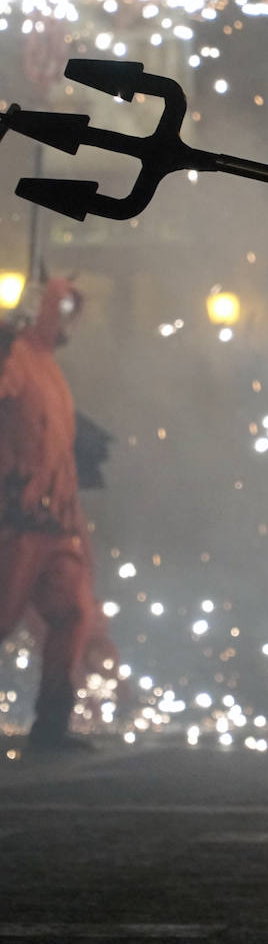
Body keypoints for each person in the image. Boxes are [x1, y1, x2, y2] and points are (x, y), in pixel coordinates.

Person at [0, 277, 98, 752]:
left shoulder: (46, 364)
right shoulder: (15, 356)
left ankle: (52, 724)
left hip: (53, 522)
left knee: (71, 614)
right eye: (59, 307)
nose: (66, 320)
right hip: (15, 520)